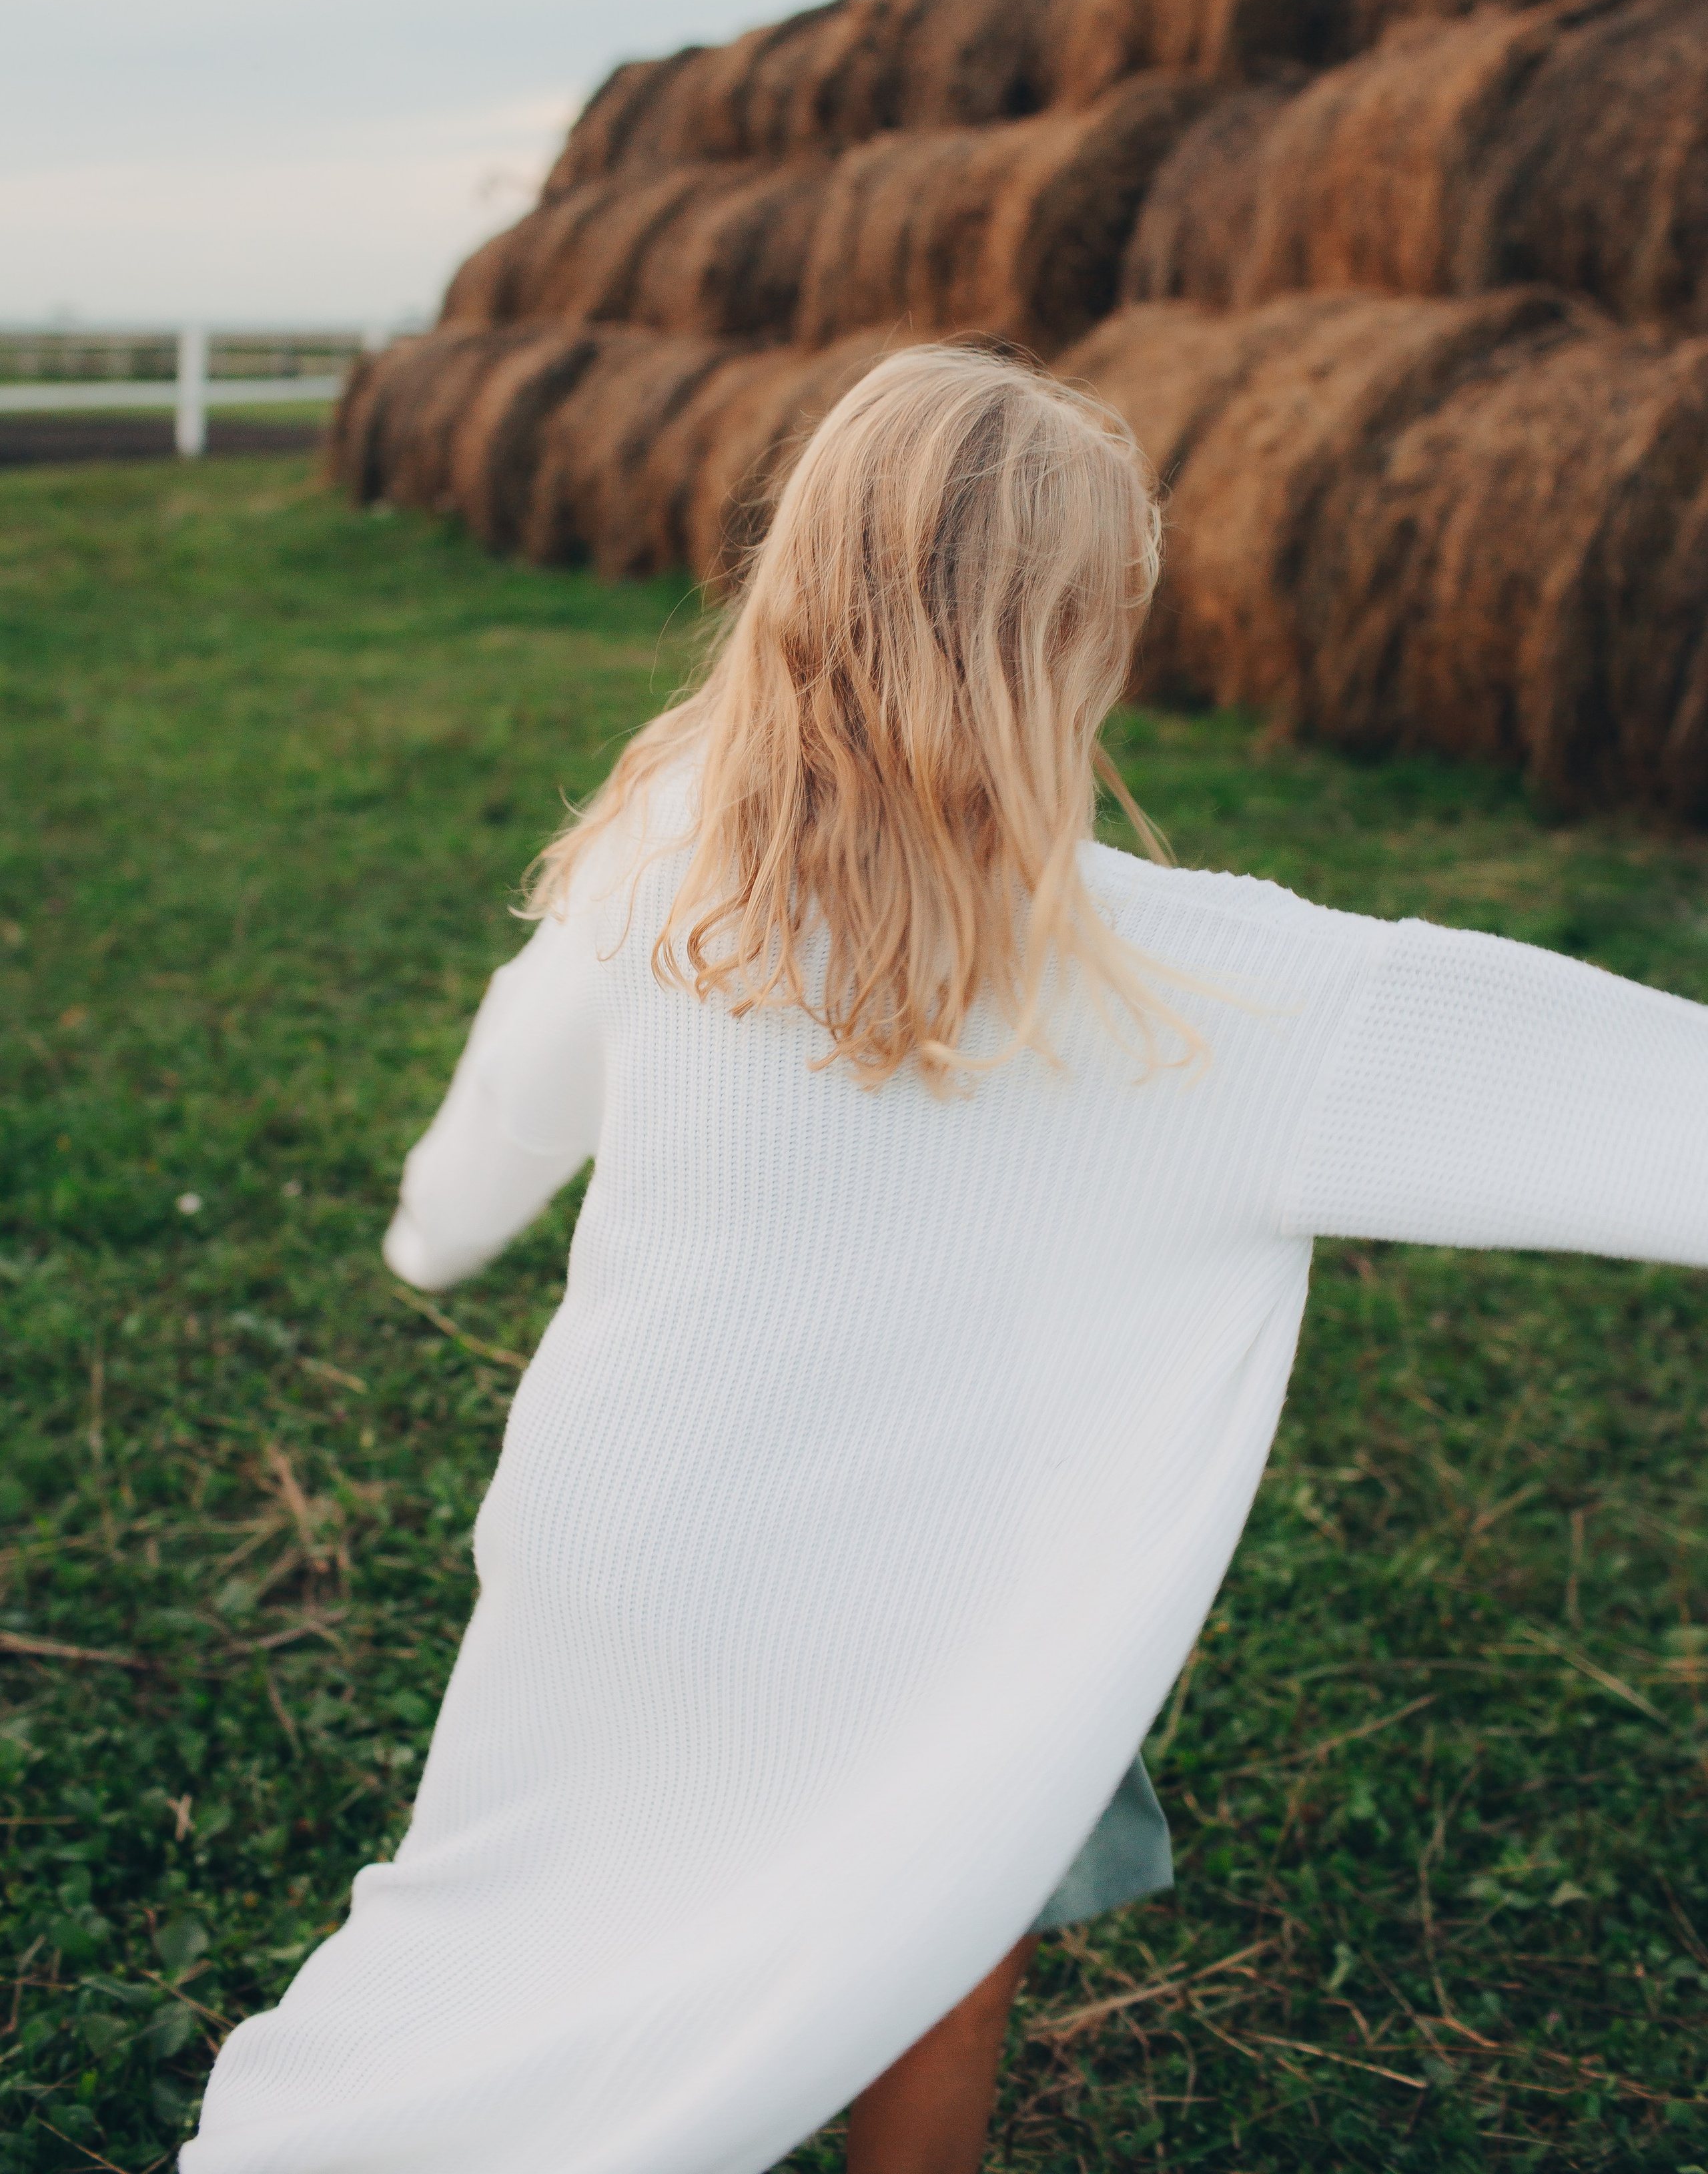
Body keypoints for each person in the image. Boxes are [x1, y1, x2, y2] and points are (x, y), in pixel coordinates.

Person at [186, 345, 1708, 2174]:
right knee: (950, 1871)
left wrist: (435, 1235)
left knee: (528, 1906)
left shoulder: (665, 863)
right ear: (1082, 640)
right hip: (921, 1601)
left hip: (614, 1539)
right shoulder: (1225, 989)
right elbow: (1640, 1109)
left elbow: (503, 1109)